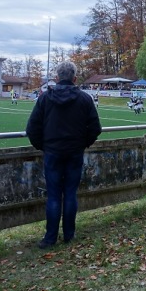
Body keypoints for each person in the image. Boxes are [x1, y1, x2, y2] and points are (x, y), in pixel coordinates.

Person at [26, 61, 102, 250]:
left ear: (57, 78)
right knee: (70, 194)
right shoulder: (85, 99)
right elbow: (95, 128)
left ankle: (50, 238)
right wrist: (82, 144)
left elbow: (32, 128)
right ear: (75, 78)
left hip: (53, 152)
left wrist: (44, 146)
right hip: (74, 152)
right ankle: (69, 235)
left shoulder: (45, 99)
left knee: (53, 196)